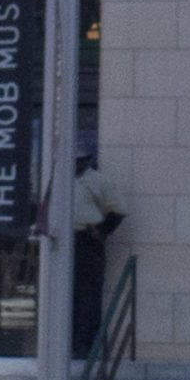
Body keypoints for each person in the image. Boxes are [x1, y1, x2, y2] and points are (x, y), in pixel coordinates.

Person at [66, 149, 126, 352]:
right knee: (66, 293)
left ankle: (86, 345)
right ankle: (68, 343)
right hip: (63, 238)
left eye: (80, 161)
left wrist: (102, 231)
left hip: (86, 239)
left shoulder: (99, 181)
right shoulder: (60, 179)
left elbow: (117, 210)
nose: (76, 164)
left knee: (87, 294)